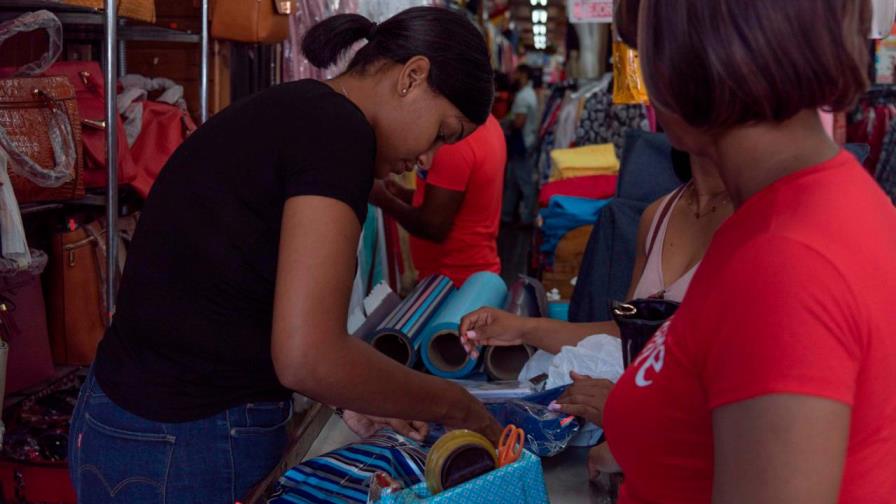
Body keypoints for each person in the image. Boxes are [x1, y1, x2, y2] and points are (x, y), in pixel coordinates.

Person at [67, 8, 502, 503]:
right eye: (443, 133)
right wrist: (455, 405)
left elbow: (239, 294)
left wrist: (355, 396)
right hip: (177, 443)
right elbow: (307, 356)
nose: (427, 161)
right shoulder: (338, 133)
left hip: (130, 423)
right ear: (412, 77)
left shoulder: (299, 112)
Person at [602, 1, 896, 503]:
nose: (644, 71)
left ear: (693, 54)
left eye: (641, 44)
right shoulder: (804, 209)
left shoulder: (787, 263)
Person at [459, 150, 730, 476]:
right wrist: (522, 328)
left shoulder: (757, 223)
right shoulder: (658, 217)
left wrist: (634, 411)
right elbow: (624, 333)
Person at [370, 114, 506, 286]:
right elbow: (454, 201)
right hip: (473, 271)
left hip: (452, 280)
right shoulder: (488, 123)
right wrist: (400, 193)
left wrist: (383, 200)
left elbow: (433, 226)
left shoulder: (454, 142)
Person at [501, 64, 540, 226]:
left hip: (521, 143)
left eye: (517, 73)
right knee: (513, 180)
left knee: (524, 182)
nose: (513, 75)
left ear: (523, 75)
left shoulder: (523, 96)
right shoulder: (529, 93)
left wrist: (504, 123)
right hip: (526, 141)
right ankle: (507, 215)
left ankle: (527, 218)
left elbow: (519, 122)